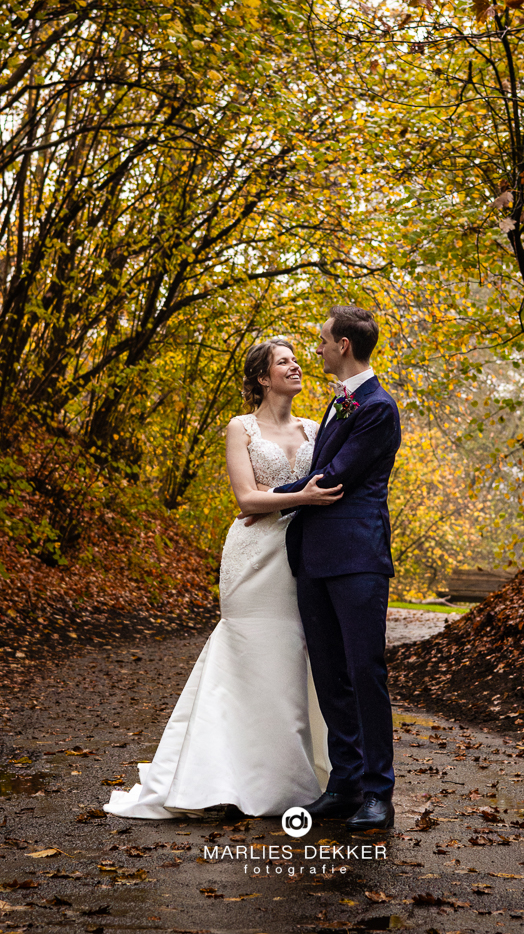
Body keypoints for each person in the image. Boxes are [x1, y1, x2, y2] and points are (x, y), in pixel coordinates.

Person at [103, 339, 341, 818]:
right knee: (249, 653)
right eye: (284, 361)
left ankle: (288, 777)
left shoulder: (316, 429)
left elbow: (318, 487)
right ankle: (220, 777)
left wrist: (280, 495)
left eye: (297, 359)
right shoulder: (241, 427)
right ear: (263, 377)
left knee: (293, 657)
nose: (296, 365)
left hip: (302, 556)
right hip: (253, 559)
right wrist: (299, 497)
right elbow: (246, 500)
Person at [273, 307, 402, 830]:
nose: (319, 348)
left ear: (344, 345)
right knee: (329, 674)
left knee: (364, 672)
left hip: (356, 558)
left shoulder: (378, 408)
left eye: (324, 339)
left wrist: (266, 497)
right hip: (315, 558)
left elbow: (332, 478)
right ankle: (345, 784)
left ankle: (378, 793)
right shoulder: (338, 401)